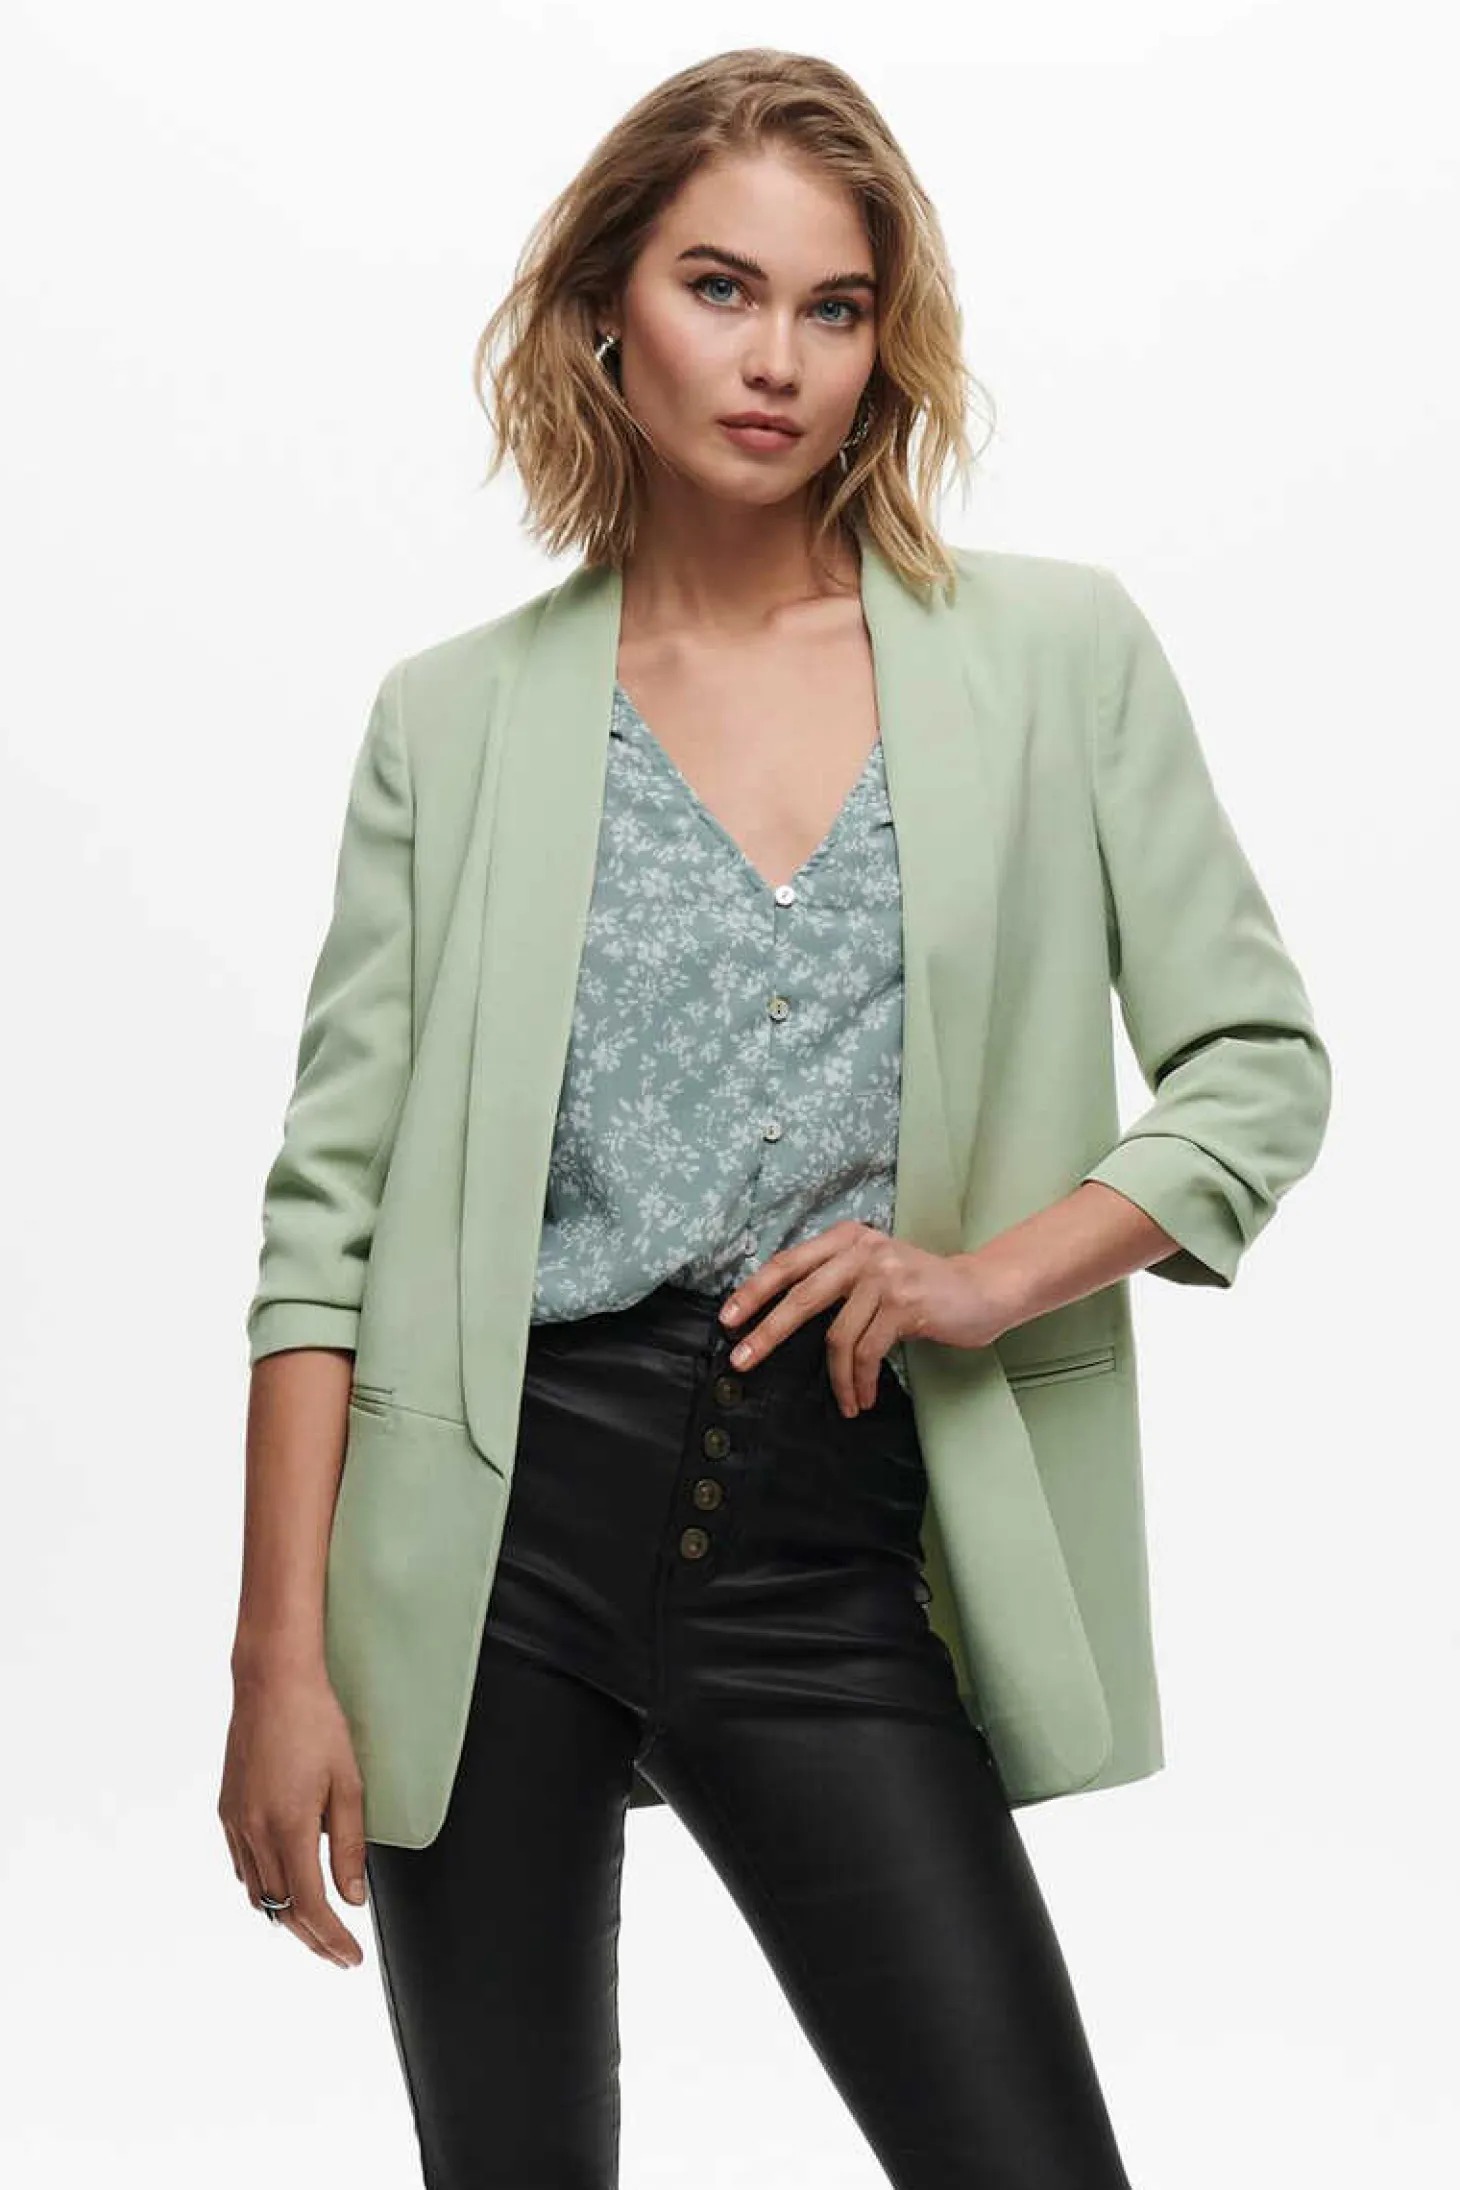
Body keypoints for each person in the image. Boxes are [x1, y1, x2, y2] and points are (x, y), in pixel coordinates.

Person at [219, 46, 1332, 2190]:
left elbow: (1256, 1066)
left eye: (835, 308)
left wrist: (988, 1276)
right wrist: (280, 1659)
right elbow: (321, 1225)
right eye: (720, 288)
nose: (779, 361)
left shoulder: (1052, 657)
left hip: (828, 1532)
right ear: (603, 311)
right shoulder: (452, 723)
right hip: (490, 1547)